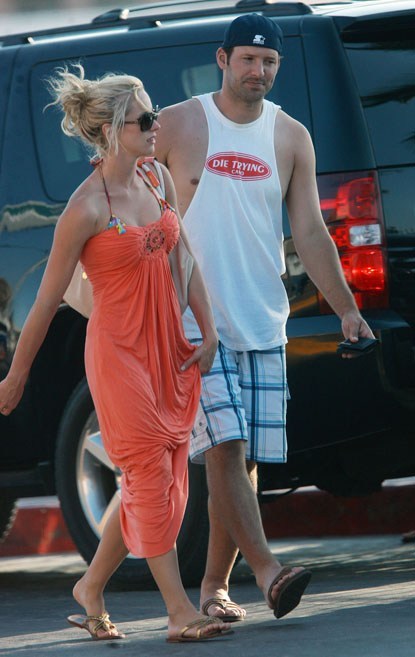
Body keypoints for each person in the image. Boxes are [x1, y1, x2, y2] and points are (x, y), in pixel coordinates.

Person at [0, 64, 234, 644]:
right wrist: (16, 376)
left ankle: (89, 588)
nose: (158, 127)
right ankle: (178, 611)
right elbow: (46, 301)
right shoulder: (84, 209)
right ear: (110, 131)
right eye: (145, 119)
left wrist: (207, 331)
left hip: (168, 348)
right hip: (118, 356)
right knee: (150, 478)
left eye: (155, 115)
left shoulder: (157, 179)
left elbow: (184, 258)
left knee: (164, 480)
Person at [154, 13, 376, 622]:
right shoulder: (178, 123)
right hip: (192, 320)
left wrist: (347, 309)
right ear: (222, 60)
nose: (259, 70)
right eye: (248, 59)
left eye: (269, 61)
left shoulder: (290, 136)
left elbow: (310, 231)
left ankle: (213, 588)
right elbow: (122, 187)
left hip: (261, 317)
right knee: (226, 446)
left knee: (242, 461)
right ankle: (269, 572)